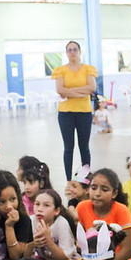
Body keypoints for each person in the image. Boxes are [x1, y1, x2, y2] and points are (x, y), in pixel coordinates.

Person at [76, 168, 131, 260]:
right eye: (93, 188)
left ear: (114, 193)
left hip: (127, 255)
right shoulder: (82, 207)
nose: (97, 193)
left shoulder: (121, 210)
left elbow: (127, 251)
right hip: (97, 258)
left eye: (104, 190)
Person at [52, 41, 97, 181]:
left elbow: (91, 88)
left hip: (84, 112)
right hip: (66, 113)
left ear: (80, 51)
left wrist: (70, 91)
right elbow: (60, 89)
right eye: (69, 50)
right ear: (66, 53)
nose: (72, 52)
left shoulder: (88, 69)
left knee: (84, 147)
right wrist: (80, 92)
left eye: (75, 49)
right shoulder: (60, 70)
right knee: (68, 147)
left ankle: (86, 178)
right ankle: (68, 179)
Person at [25, 189, 78, 260]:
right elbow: (25, 256)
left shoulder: (61, 223)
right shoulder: (31, 221)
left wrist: (48, 241)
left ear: (56, 211)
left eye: (46, 205)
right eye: (37, 204)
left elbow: (64, 258)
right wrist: (32, 244)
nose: (39, 209)